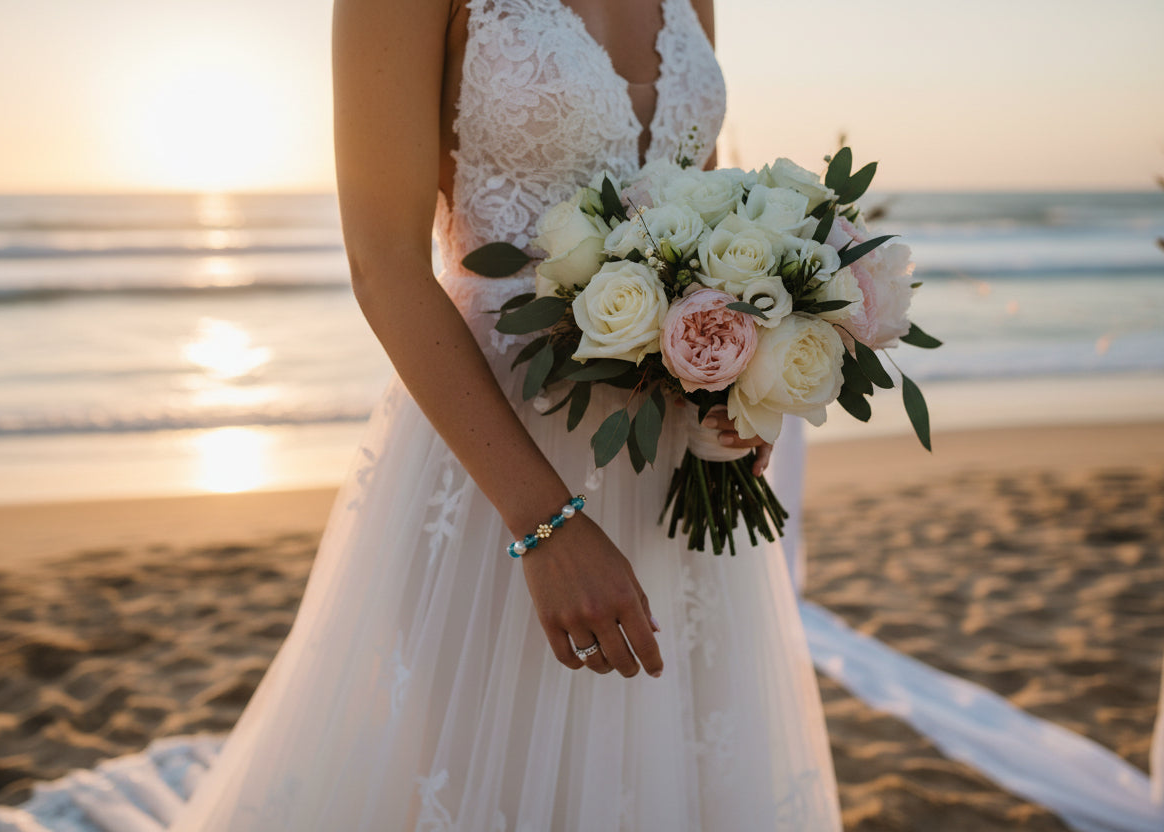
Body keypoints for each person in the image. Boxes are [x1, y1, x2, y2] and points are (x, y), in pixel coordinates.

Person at [169, 0, 842, 828]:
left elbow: (690, 212)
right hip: (496, 466)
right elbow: (382, 264)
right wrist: (545, 524)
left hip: (667, 464)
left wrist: (732, 385)